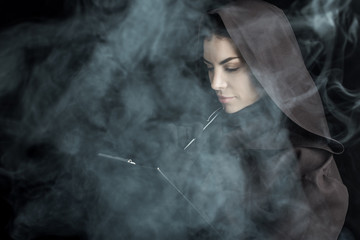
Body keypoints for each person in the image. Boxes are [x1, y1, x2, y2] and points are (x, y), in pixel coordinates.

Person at [175, 0, 349, 239]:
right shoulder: (207, 135)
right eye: (210, 67)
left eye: (232, 67)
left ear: (267, 65)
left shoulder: (309, 170)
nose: (216, 83)